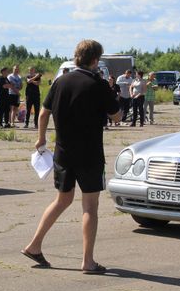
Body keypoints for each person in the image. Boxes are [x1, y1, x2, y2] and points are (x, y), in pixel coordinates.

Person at [22, 39, 121, 274]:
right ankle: (88, 262)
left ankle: (34, 245)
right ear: (95, 60)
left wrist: (41, 139)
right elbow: (116, 117)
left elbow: (43, 113)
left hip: (63, 154)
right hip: (90, 154)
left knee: (62, 200)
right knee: (90, 206)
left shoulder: (60, 81)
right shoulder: (97, 84)